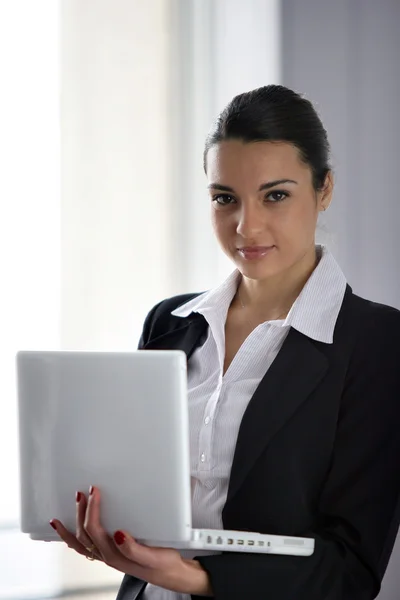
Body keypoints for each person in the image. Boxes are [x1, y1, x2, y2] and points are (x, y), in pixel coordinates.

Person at [50, 85, 400, 600]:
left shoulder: (375, 343)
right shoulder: (170, 322)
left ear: (324, 189)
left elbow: (349, 572)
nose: (246, 226)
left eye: (275, 195)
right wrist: (107, 533)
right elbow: (139, 494)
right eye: (224, 198)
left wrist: (192, 577)